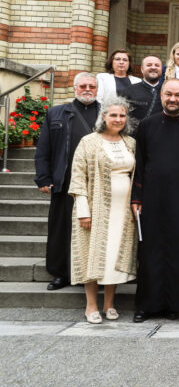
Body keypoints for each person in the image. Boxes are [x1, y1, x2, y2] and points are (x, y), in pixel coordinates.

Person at [131, 79, 179, 322]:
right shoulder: (146, 125)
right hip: (152, 197)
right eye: (168, 94)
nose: (172, 99)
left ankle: (176, 303)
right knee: (151, 251)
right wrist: (137, 196)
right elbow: (140, 163)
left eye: (177, 95)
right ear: (162, 96)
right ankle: (147, 304)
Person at [68, 96, 138, 323]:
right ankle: (90, 306)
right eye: (113, 115)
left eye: (122, 115)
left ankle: (109, 304)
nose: (118, 119)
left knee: (114, 255)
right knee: (92, 254)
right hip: (95, 209)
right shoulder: (89, 142)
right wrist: (83, 210)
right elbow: (78, 177)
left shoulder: (131, 143)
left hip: (123, 211)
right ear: (104, 116)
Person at [35, 73, 100, 291]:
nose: (87, 89)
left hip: (97, 185)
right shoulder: (56, 113)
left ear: (98, 89)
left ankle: (92, 275)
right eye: (83, 85)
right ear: (75, 88)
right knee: (60, 230)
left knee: (93, 231)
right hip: (64, 182)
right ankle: (60, 273)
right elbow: (44, 149)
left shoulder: (107, 114)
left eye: (92, 86)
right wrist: (43, 177)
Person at [120, 55, 164, 121]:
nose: (153, 67)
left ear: (161, 69)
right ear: (142, 69)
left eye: (157, 65)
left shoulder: (167, 92)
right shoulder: (129, 91)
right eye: (149, 65)